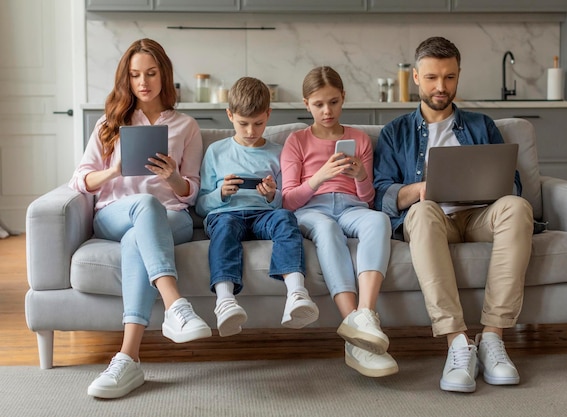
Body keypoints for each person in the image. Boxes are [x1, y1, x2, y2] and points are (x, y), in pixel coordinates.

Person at [373, 36, 534, 393]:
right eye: (431, 77)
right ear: (416, 77)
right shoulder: (394, 132)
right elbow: (380, 194)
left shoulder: (481, 125)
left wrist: (494, 186)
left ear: (458, 75)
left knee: (518, 207)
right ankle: (458, 344)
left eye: (449, 77)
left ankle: (492, 337)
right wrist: (419, 190)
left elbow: (515, 183)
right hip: (433, 222)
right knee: (421, 212)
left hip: (479, 217)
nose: (441, 87)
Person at [69, 38, 212, 399]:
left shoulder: (186, 126)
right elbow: (80, 180)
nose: (143, 82)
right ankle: (175, 305)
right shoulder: (109, 123)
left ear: (164, 75)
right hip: (114, 214)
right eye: (135, 75)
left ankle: (128, 359)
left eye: (150, 73)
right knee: (143, 205)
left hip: (172, 217)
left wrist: (172, 178)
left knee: (141, 231)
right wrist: (114, 170)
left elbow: (192, 191)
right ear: (127, 79)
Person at [281, 66, 398, 378]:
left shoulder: (359, 139)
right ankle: (353, 330)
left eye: (333, 102)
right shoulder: (297, 141)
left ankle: (366, 315)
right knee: (327, 228)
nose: (326, 110)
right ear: (306, 104)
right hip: (312, 210)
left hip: (351, 207)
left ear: (343, 98)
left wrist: (360, 175)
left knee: (378, 221)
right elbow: (288, 200)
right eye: (318, 104)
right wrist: (320, 177)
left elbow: (369, 198)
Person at [195, 77, 319, 338]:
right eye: (243, 124)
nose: (251, 131)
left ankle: (296, 293)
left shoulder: (279, 152)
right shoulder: (216, 151)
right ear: (229, 115)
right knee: (226, 228)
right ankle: (225, 300)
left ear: (268, 115)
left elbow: (286, 199)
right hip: (225, 215)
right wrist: (221, 193)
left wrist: (271, 196)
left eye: (258, 123)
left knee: (285, 218)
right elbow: (201, 205)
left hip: (265, 214)